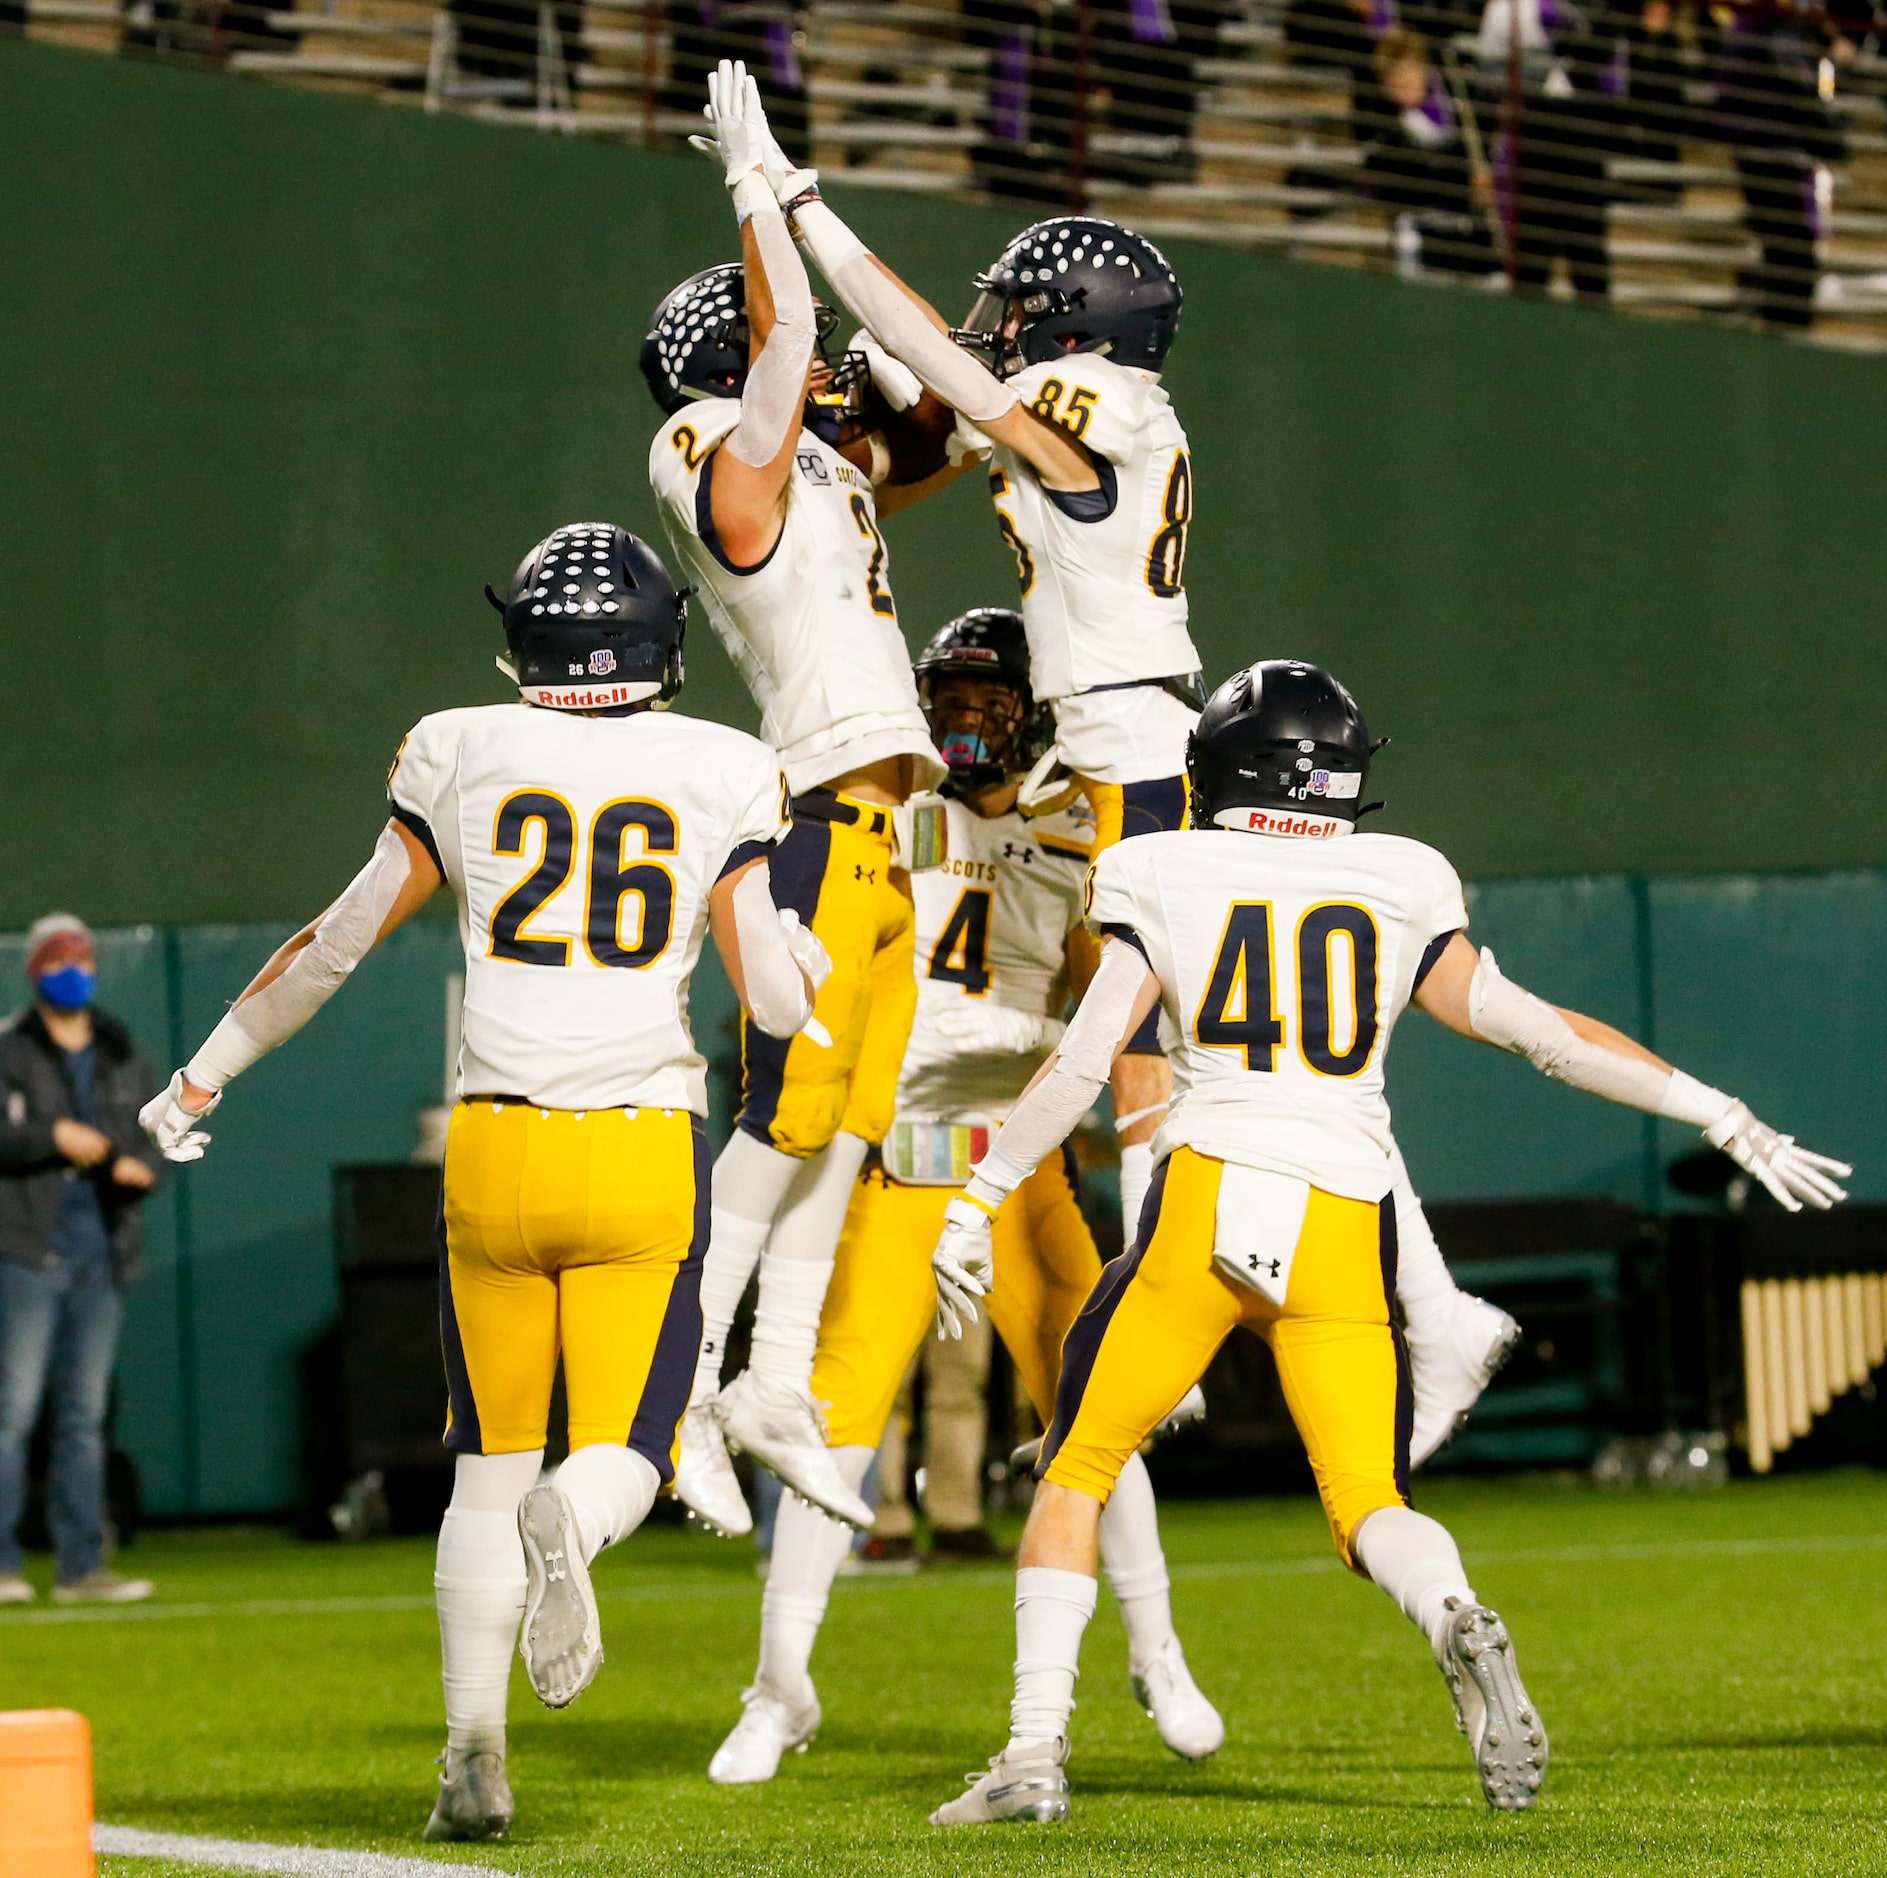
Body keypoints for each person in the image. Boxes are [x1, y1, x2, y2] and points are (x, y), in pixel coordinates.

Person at [715, 84, 1521, 1471]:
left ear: (1077, 327)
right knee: (1189, 1058)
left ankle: (1346, 1324)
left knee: (1172, 1056)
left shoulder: (1093, 402)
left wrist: (796, 203)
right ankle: (1397, 1314)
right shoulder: (1090, 400)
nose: (1005, 328)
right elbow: (902, 437)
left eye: (1025, 310)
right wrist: (841, 388)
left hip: (1137, 749)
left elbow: (952, 376)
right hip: (1114, 747)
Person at [924, 659, 1850, 1824]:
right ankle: (1453, 1606)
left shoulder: (1161, 866)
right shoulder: (1400, 877)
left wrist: (983, 1190)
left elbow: (1083, 1061)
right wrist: (1718, 1109)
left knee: (1076, 1467)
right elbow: (1542, 1035)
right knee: (1367, 1501)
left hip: (1209, 1198)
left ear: (1223, 767)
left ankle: (1030, 1755)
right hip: (1343, 1220)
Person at [139, 524, 827, 1844]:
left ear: (527, 641)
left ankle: (470, 1755)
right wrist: (816, 966)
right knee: (632, 1438)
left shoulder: (459, 746)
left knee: (480, 1466)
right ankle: (576, 1514)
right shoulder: (725, 766)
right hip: (633, 1144)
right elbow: (768, 993)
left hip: (493, 1150)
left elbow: (332, 945)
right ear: (659, 645)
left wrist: (199, 1075)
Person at [705, 608, 1223, 1784]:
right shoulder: (889, 825)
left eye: (992, 697)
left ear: (1034, 712)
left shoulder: (1085, 839)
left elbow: (1120, 1012)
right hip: (902, 1160)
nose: (967, 717)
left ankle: (1158, 1648)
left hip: (1021, 1166)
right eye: (951, 692)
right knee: (825, 1431)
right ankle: (778, 1685)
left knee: (1101, 1412)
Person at [647, 62, 961, 1538]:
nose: (828, 379)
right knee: (779, 1121)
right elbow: (787, 348)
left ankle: (772, 1379)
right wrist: (754, 184)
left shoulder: (816, 463)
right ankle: (683, 1387)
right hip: (819, 819)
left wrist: (872, 352)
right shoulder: (712, 450)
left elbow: (947, 430)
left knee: (849, 1126)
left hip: (891, 834)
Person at [0, 915, 162, 1607]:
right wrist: (50, 1135)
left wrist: (143, 1165)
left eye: (82, 957)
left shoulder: (121, 1048)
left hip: (104, 1249)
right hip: (28, 1246)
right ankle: (3, 1567)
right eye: (60, 958)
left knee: (83, 1416)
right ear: (37, 969)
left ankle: (81, 1565)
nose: (74, 969)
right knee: (12, 1412)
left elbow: (157, 1128)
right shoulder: (10, 1048)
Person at [1715, 1, 1847, 331]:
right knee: (1792, 252)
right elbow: (1795, 83)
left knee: (1782, 248)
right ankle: (1787, 334)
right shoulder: (1765, 26)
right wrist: (1826, 132)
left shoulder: (1757, 24)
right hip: (1772, 150)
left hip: (1760, 147)